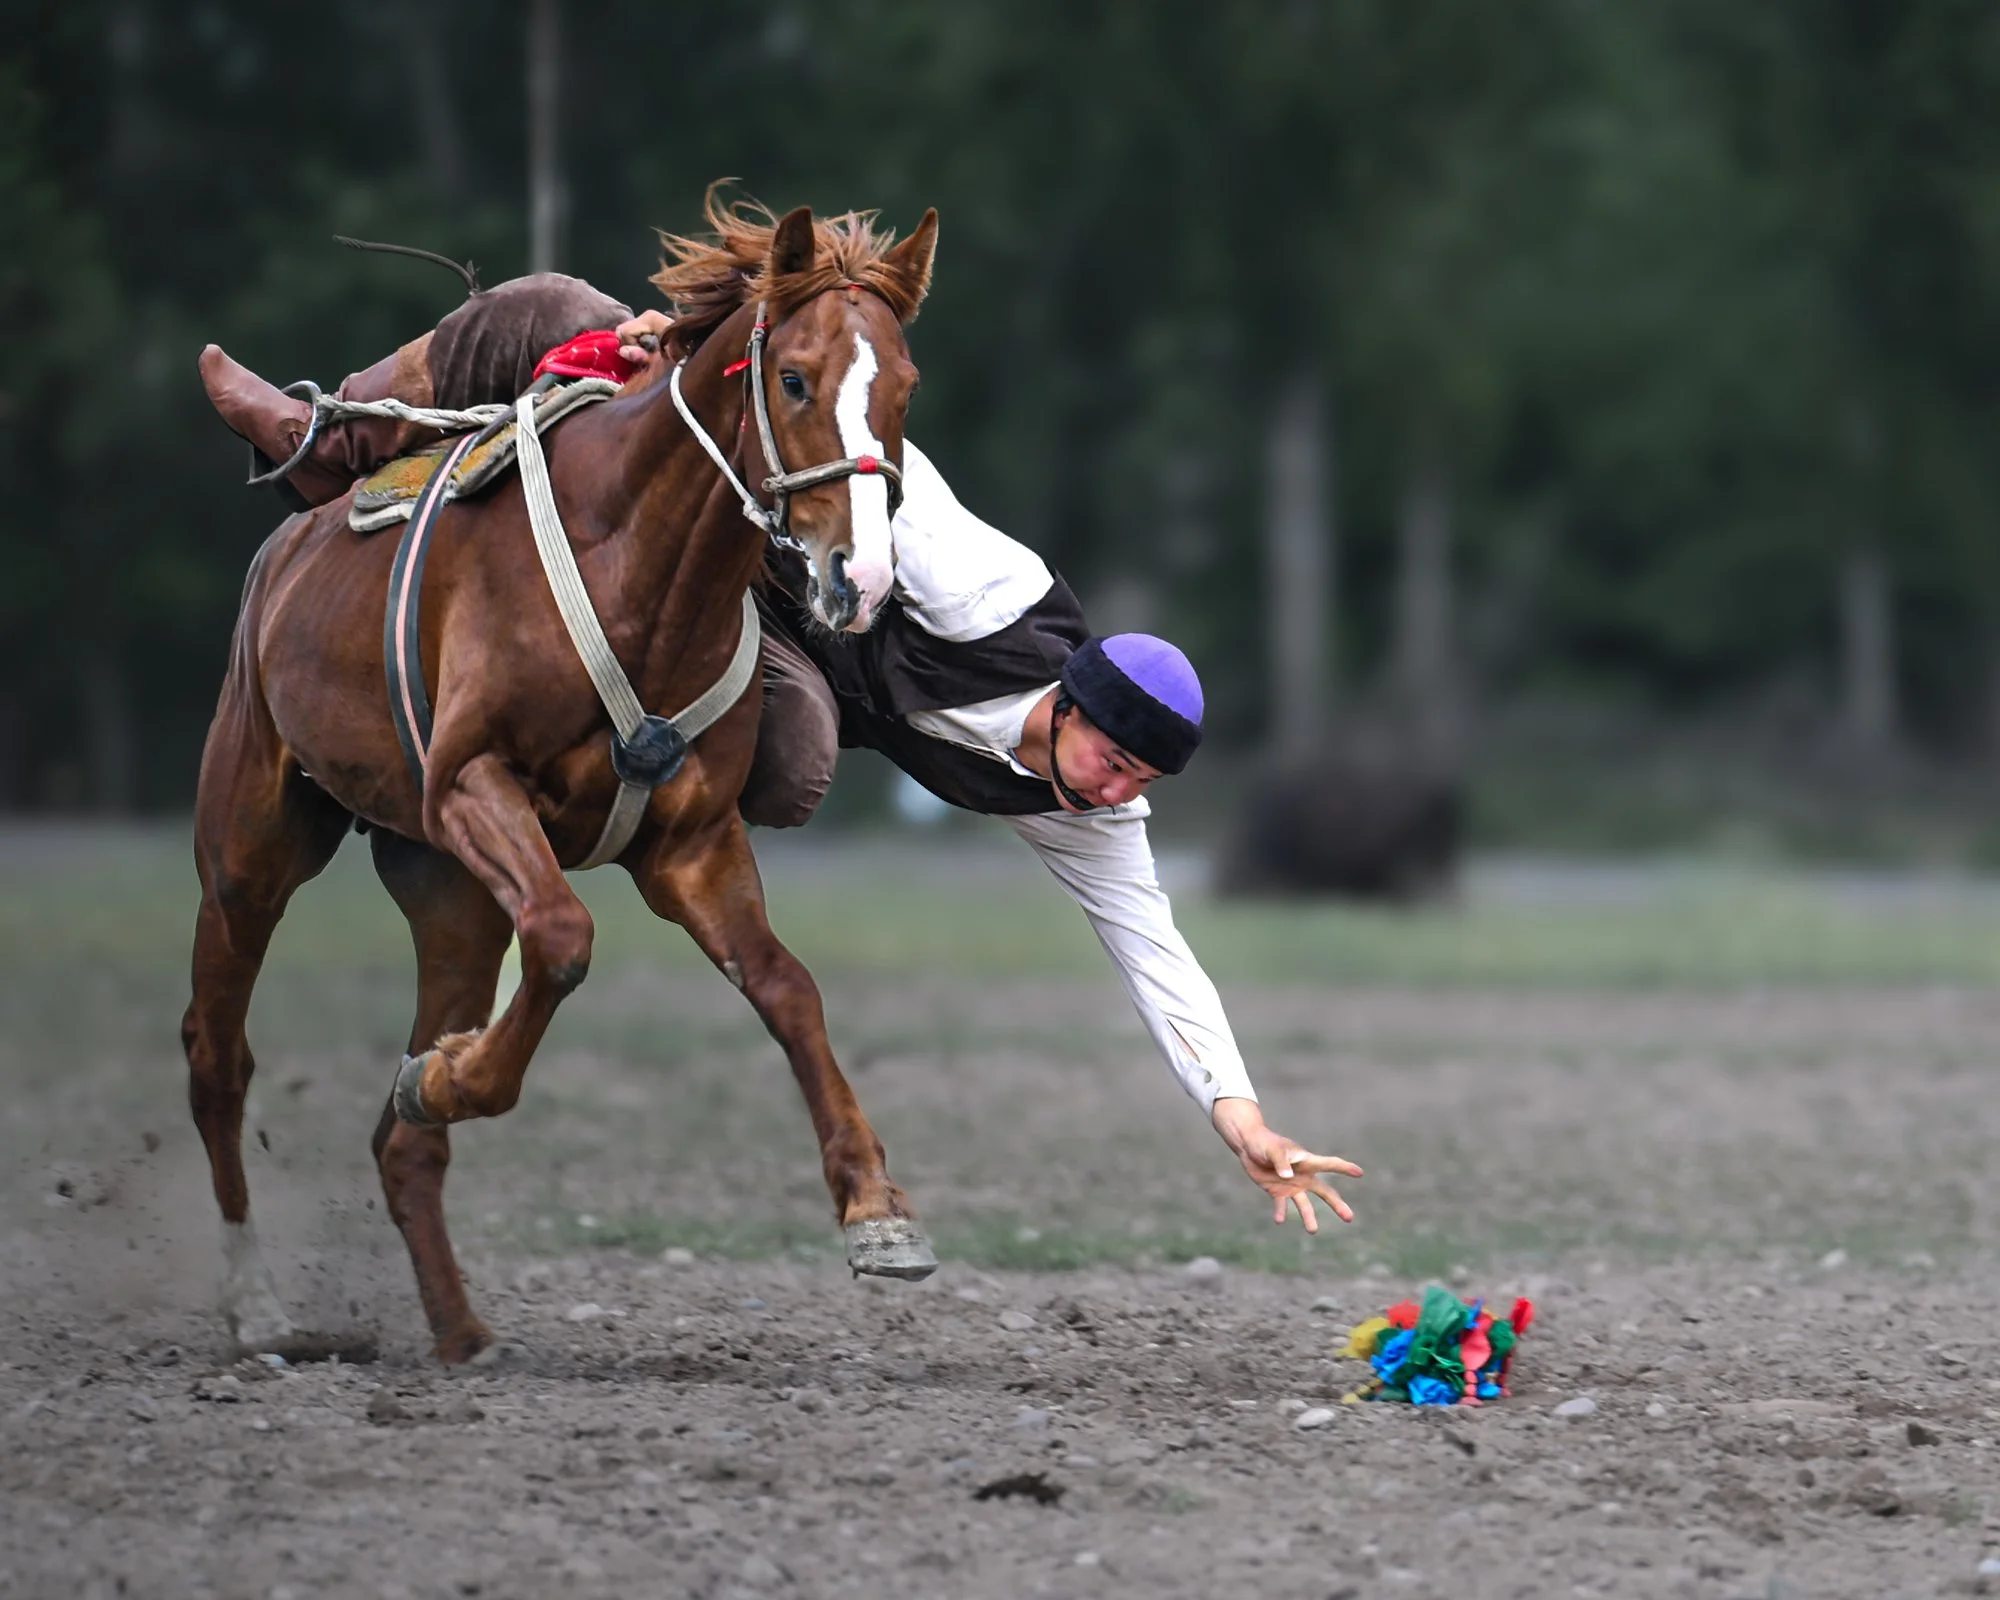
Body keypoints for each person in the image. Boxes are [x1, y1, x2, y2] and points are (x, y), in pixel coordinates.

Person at [199, 276, 1364, 1234]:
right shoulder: (981, 592)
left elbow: (1151, 947)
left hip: (758, 618)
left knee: (796, 760)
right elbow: (864, 461)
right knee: (550, 310)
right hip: (777, 512)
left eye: (1138, 787)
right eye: (1114, 764)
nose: (1116, 796)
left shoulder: (1085, 804)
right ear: (1068, 702)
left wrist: (1240, 1115)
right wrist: (681, 352)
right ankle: (319, 430)